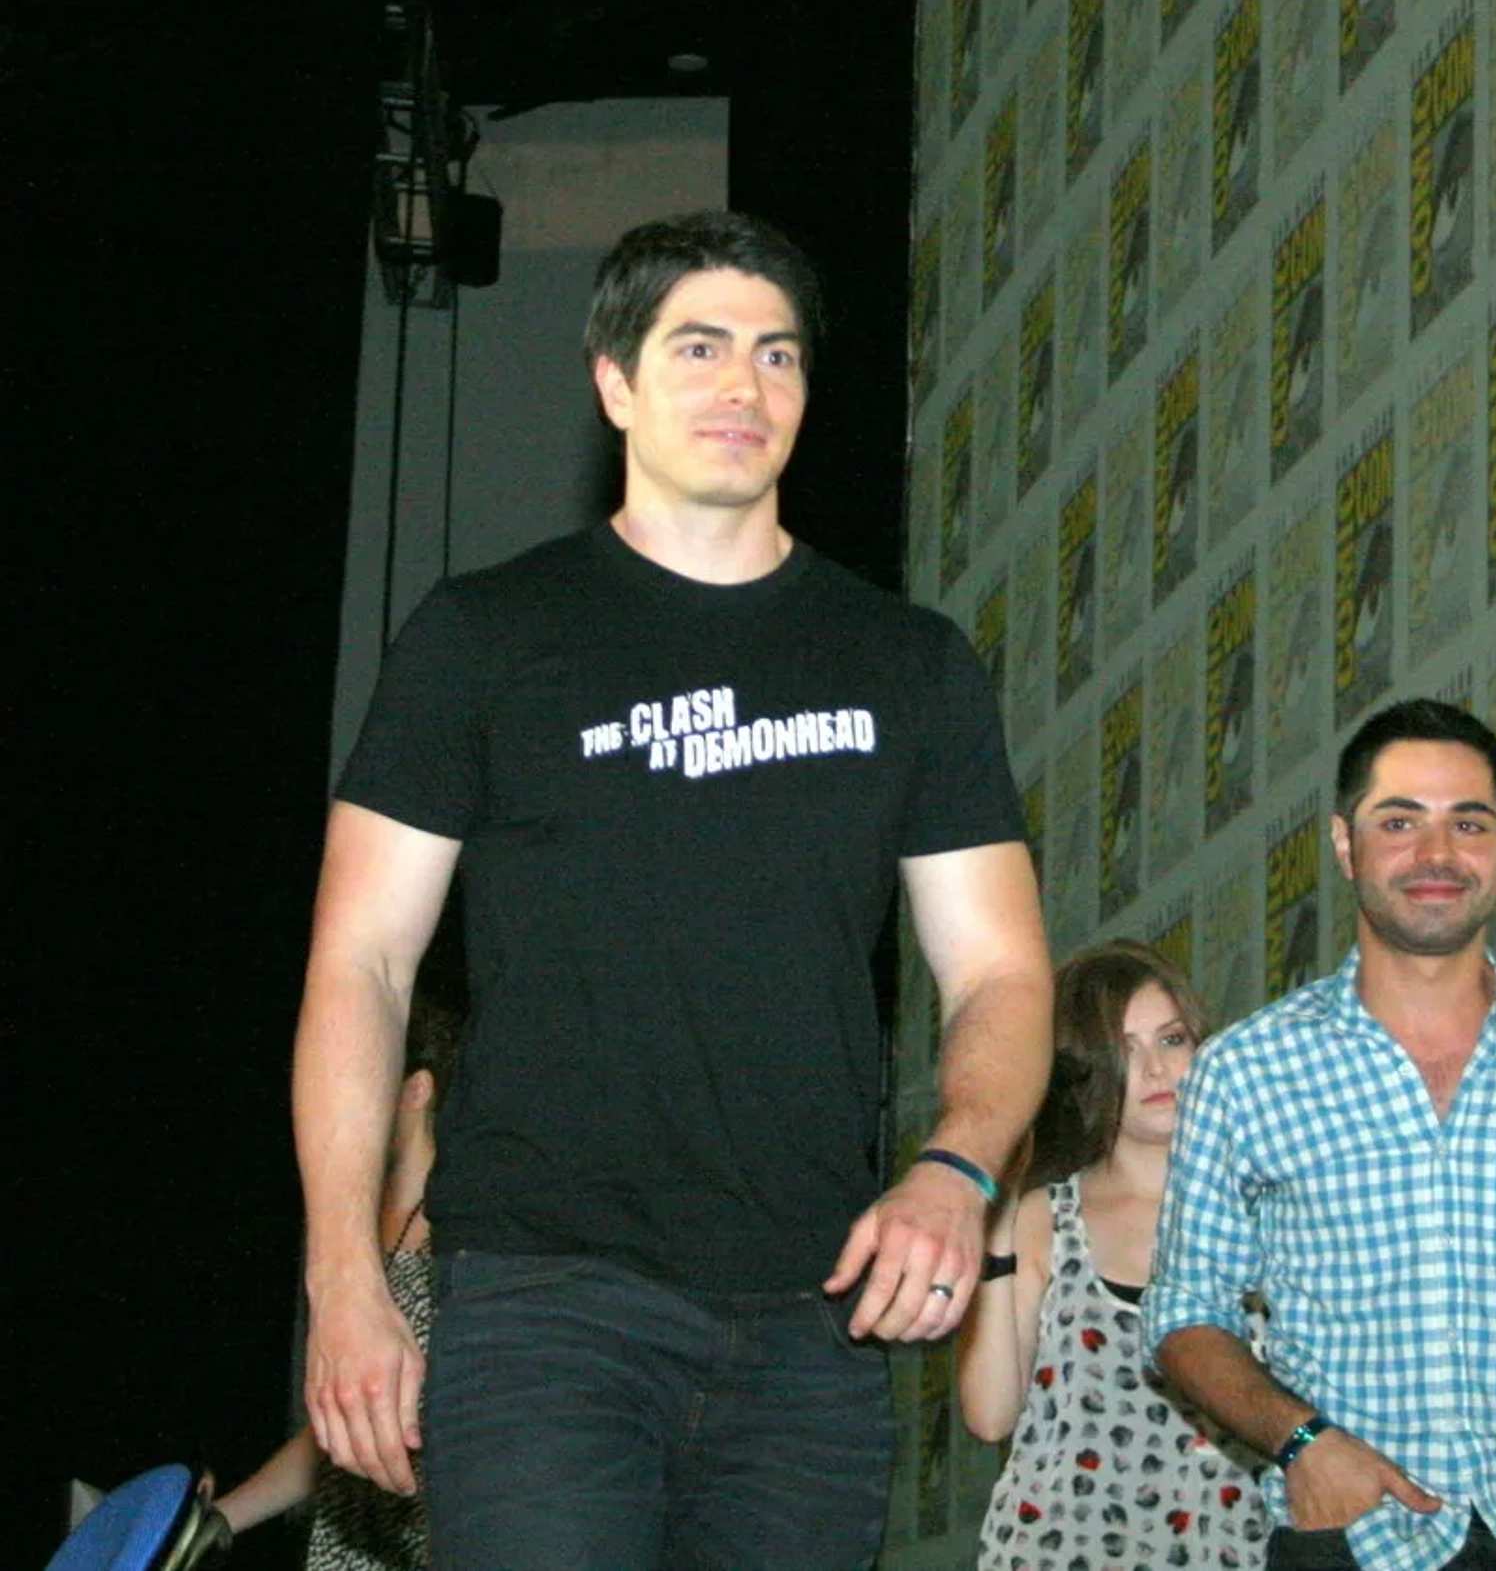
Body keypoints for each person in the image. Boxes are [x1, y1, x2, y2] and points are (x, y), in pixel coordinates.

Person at [292, 210, 1053, 1569]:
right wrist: (344, 1274)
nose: (743, 385)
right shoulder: (485, 638)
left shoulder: (910, 663)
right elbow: (360, 965)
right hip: (540, 1297)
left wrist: (956, 1165)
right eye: (699, 347)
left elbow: (999, 972)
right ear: (614, 381)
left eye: (778, 356)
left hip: (813, 1322)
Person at [1144, 699, 1496, 1571]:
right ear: (1345, 845)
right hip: (1349, 1540)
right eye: (1400, 822)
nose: (1437, 855)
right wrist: (1303, 1440)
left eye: (1469, 823)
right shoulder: (1247, 1068)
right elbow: (1183, 1313)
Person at [960, 940, 1268, 1569]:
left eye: (1172, 1039)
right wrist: (997, 1226)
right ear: (1085, 1072)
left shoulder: (1273, 1209)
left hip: (1240, 1545)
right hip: (1061, 1548)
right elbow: (991, 1416)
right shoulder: (1043, 1218)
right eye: (1125, 1051)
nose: (1156, 1070)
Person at [215, 993, 460, 1569]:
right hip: (342, 1555)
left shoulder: (466, 1232)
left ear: (417, 1090)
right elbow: (338, 1419)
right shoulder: (343, 1247)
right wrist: (220, 1518)